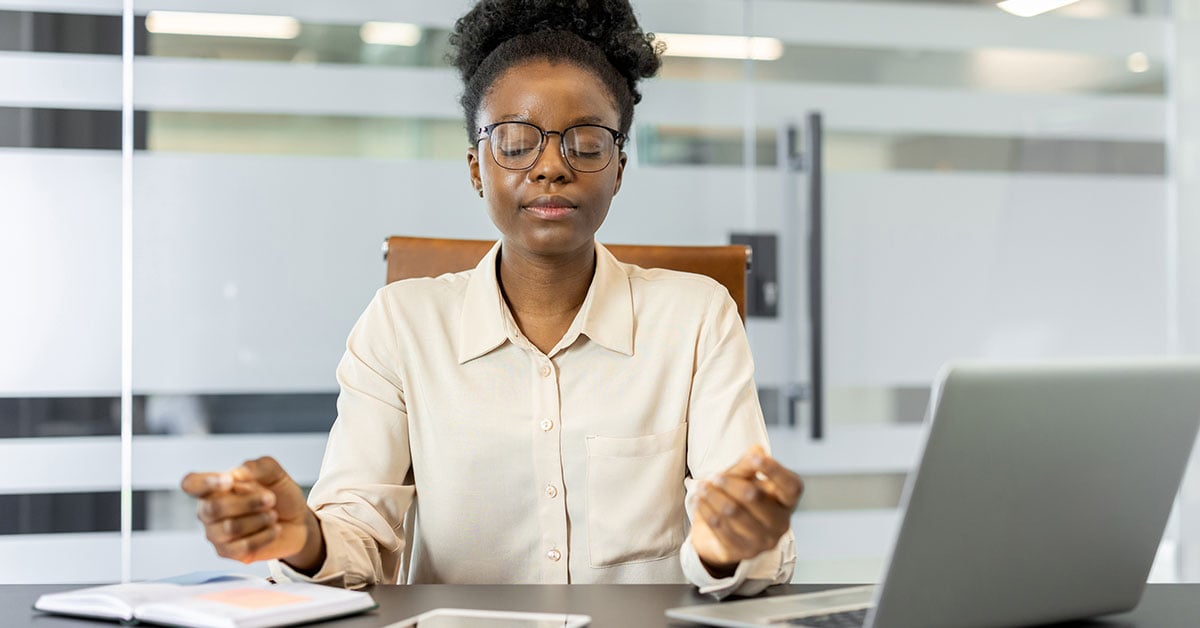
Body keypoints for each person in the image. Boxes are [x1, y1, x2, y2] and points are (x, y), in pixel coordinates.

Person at [181, 0, 801, 599]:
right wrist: (304, 539)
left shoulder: (696, 318)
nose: (551, 167)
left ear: (618, 166)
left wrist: (729, 543)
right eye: (515, 141)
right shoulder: (401, 325)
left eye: (585, 143)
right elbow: (355, 535)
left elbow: (742, 526)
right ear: (477, 165)